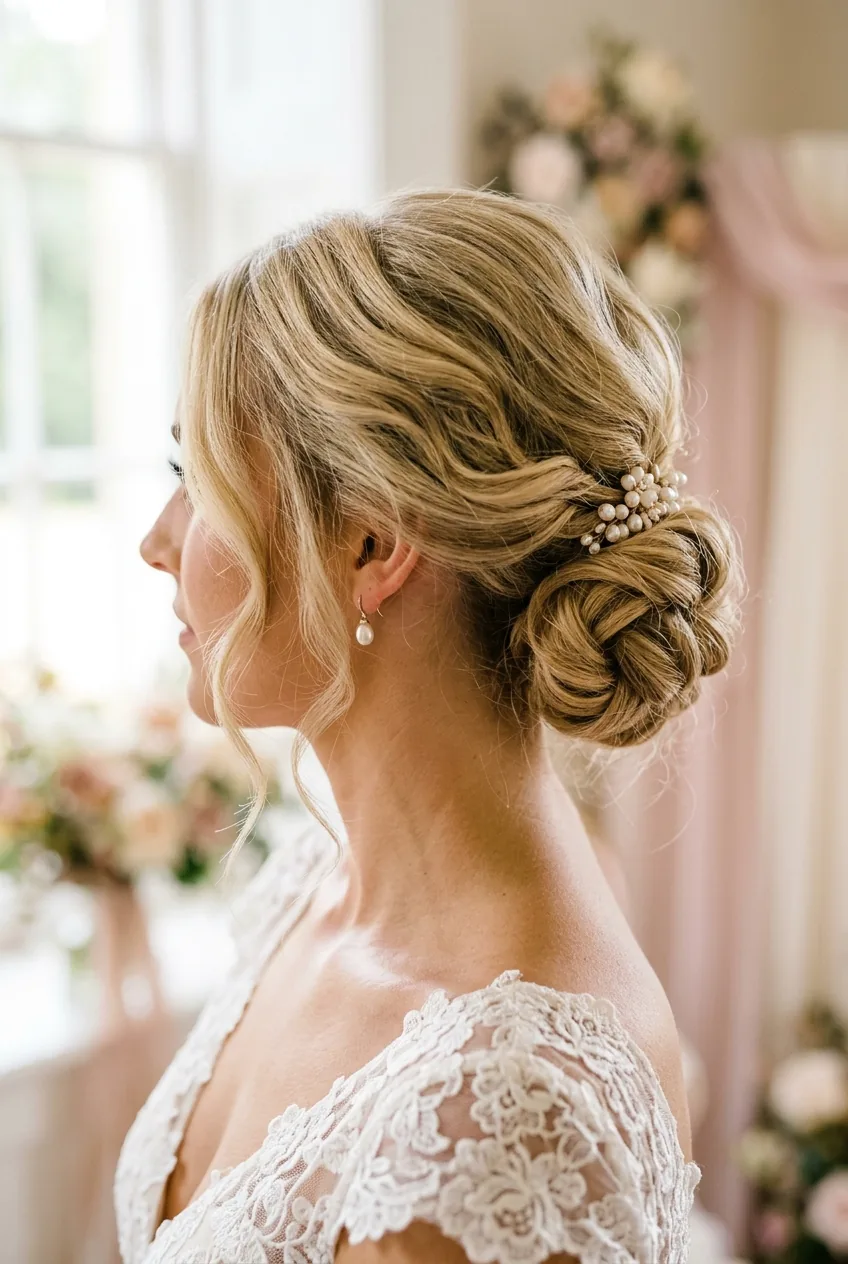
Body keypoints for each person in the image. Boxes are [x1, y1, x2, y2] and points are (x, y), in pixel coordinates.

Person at [118, 188, 740, 1264]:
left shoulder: (498, 1114)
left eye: (196, 478)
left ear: (369, 544)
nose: (155, 540)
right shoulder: (314, 885)